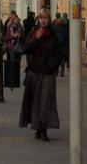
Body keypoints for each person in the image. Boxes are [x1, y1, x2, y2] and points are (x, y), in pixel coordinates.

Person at [19, 8, 62, 141]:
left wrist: (53, 65)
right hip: (34, 72)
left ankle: (44, 129)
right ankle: (37, 128)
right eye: (41, 18)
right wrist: (36, 39)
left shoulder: (52, 34)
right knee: (35, 101)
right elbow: (25, 49)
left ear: (49, 20)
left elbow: (59, 53)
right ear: (38, 19)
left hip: (48, 73)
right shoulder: (33, 32)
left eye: (46, 18)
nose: (43, 20)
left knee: (46, 100)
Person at [2, 11, 24, 89]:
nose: (17, 21)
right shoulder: (9, 28)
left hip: (18, 48)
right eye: (16, 20)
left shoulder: (20, 27)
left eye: (18, 20)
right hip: (11, 48)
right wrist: (14, 36)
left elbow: (23, 37)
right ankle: (11, 80)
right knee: (11, 62)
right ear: (13, 20)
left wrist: (20, 36)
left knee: (17, 63)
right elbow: (6, 38)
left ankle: (15, 79)